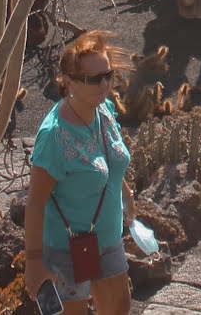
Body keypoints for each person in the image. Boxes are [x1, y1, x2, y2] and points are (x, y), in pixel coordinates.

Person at [25, 31, 134, 315]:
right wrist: (34, 264)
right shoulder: (53, 137)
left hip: (108, 240)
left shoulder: (105, 110)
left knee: (120, 308)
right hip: (66, 251)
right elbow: (35, 204)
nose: (104, 84)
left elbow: (110, 161)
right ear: (70, 82)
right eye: (94, 79)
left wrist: (125, 193)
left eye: (108, 75)